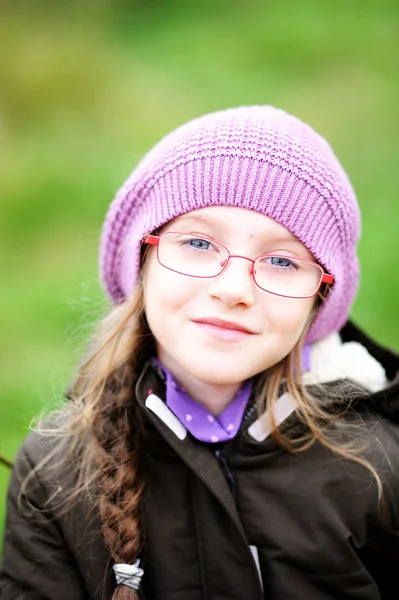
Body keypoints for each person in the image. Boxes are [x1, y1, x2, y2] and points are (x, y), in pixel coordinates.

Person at [1, 106, 399, 600]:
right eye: (197, 242)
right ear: (142, 260)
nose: (233, 289)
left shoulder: (380, 467)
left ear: (320, 297)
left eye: (281, 260)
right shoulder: (55, 474)